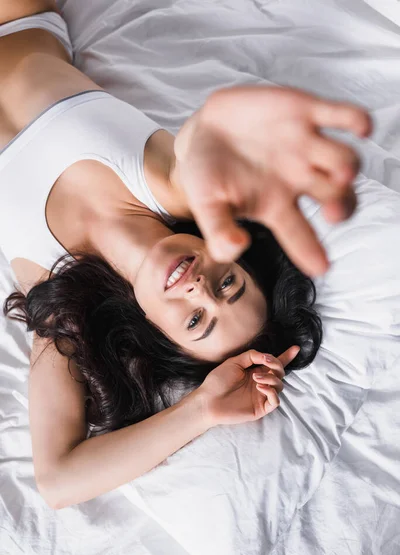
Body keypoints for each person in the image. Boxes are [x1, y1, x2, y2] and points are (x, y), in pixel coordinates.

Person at [0, 1, 371, 509]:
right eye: (228, 284)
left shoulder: (64, 313)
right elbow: (199, 148)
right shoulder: (171, 189)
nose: (200, 289)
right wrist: (221, 125)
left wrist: (202, 410)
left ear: (157, 333)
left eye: (197, 320)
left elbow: (59, 479)